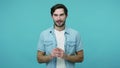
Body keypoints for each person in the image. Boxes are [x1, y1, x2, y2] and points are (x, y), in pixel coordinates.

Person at [37, 4, 84, 68]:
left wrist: (66, 56)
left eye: (61, 15)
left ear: (66, 15)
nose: (58, 18)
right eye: (55, 15)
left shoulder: (75, 34)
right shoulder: (44, 34)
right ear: (52, 16)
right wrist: (51, 56)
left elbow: (81, 58)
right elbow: (39, 59)